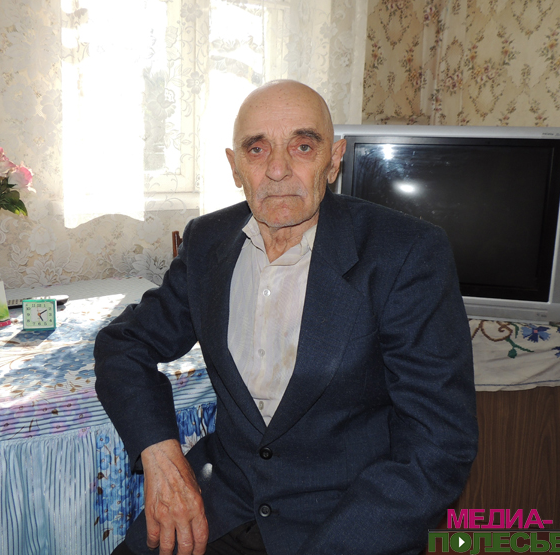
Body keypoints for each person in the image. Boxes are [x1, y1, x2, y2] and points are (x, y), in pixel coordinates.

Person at [94, 80, 478, 555]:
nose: (277, 170)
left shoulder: (405, 253)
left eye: (303, 146)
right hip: (219, 507)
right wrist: (160, 453)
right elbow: (124, 344)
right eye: (257, 149)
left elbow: (439, 445)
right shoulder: (208, 241)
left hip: (348, 522)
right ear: (235, 166)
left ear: (334, 159)